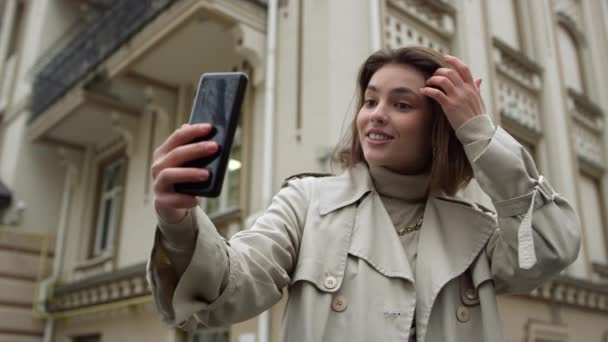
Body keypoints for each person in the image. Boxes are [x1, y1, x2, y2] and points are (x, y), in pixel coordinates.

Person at [147, 47, 581, 342]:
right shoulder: (306, 203)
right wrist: (179, 223)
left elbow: (547, 248)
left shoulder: (480, 230)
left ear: (440, 128)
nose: (375, 115)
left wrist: (480, 134)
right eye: (370, 101)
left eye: (402, 104)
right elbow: (227, 290)